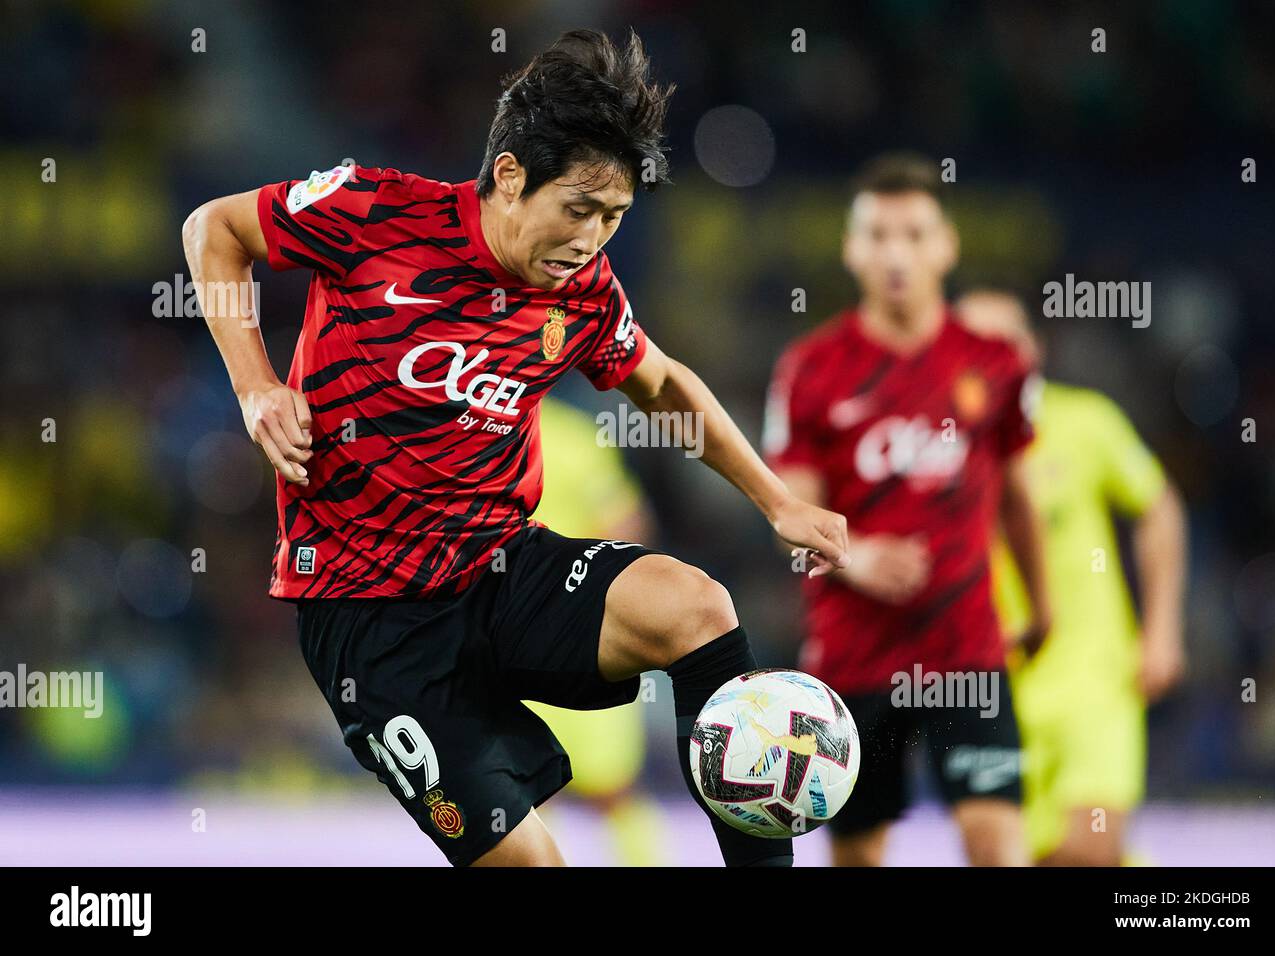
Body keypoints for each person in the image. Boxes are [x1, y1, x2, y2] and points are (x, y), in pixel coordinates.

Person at [181, 28, 848, 867]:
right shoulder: (374, 210)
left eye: (613, 218)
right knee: (533, 866)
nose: (592, 239)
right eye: (578, 208)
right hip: (372, 623)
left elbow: (664, 384)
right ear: (507, 176)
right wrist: (255, 385)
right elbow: (213, 230)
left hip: (501, 573)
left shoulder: (585, 292)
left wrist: (777, 500)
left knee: (696, 608)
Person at [763, 153, 1050, 866]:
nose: (897, 254)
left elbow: (1017, 494)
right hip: (855, 655)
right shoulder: (810, 368)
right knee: (860, 853)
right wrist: (855, 557)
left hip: (966, 649)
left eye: (915, 234)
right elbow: (789, 512)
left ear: (947, 245)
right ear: (851, 248)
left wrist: (1043, 603)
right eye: (879, 235)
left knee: (996, 840)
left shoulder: (997, 362)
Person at [957, 289, 1188, 866]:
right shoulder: (935, 448)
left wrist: (1161, 629)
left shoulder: (1086, 422)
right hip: (988, 694)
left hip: (1093, 680)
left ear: (1032, 348)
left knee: (1087, 846)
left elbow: (1158, 507)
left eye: (1001, 340)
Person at [524, 396, 665, 866]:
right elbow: (626, 527)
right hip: (583, 637)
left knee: (526, 794)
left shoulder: (470, 433)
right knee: (613, 792)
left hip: (508, 640)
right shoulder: (577, 435)